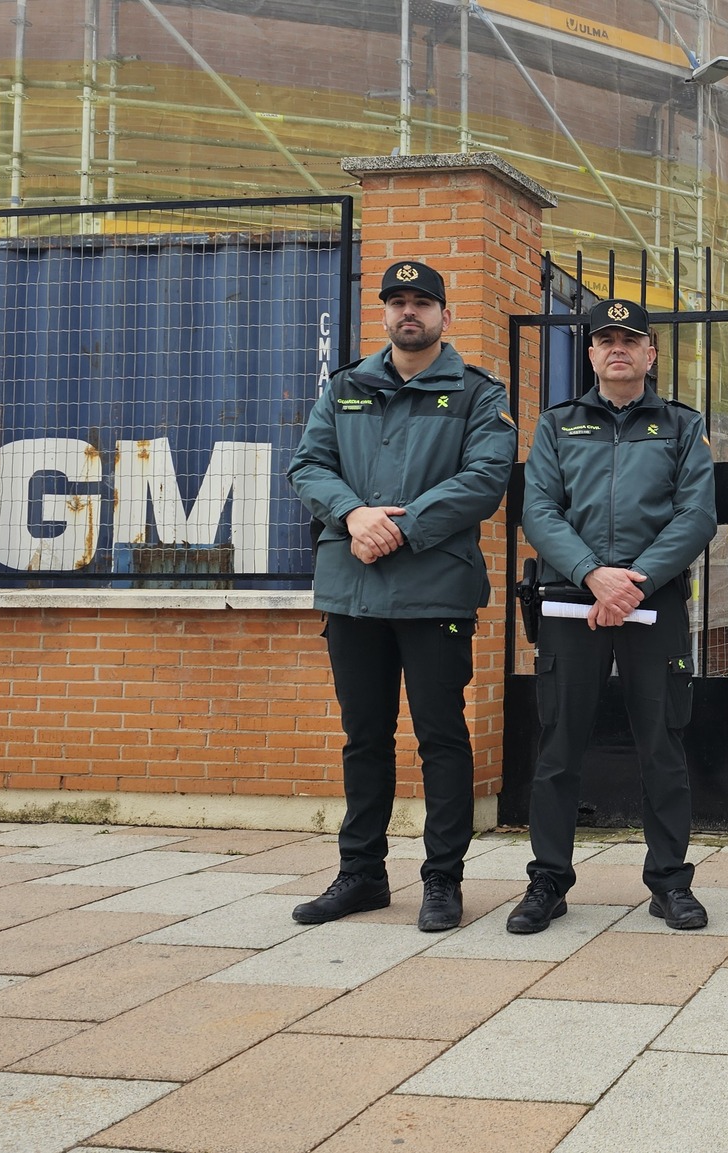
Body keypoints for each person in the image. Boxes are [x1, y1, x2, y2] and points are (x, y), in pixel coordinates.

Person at [287, 259, 515, 932]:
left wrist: (399, 526)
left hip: (433, 590)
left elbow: (485, 477)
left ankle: (442, 879)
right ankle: (361, 874)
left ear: (446, 315)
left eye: (422, 302)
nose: (408, 312)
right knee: (364, 738)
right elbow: (308, 465)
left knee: (441, 737)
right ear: (383, 313)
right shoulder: (346, 385)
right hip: (352, 588)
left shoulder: (477, 393)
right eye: (397, 302)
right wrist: (354, 515)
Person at [510, 298, 718, 933]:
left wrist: (636, 580)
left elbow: (696, 515)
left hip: (653, 605)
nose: (617, 348)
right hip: (573, 601)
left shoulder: (682, 426)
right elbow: (539, 510)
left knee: (662, 745)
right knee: (559, 746)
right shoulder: (556, 425)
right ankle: (547, 880)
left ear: (650, 353)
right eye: (605, 339)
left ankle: (669, 882)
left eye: (630, 339)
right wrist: (594, 575)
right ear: (592, 353)